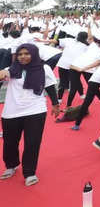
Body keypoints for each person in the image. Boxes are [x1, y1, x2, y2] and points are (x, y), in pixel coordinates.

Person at [0, 43, 60, 186]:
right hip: (12, 111)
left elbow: (50, 86)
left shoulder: (43, 68)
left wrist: (55, 104)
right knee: (9, 142)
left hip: (35, 110)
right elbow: (3, 76)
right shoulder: (11, 69)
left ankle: (30, 172)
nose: (23, 57)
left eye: (27, 53)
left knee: (32, 142)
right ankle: (11, 165)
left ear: (34, 54)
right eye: (20, 54)